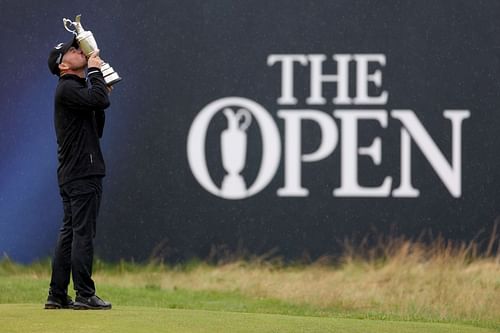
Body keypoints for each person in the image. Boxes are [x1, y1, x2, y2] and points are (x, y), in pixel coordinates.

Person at [45, 36, 112, 310]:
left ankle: (57, 295)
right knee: (82, 233)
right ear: (63, 66)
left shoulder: (74, 90)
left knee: (71, 233)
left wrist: (100, 90)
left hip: (75, 172)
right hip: (83, 172)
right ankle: (85, 293)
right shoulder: (68, 87)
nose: (78, 51)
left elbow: (96, 123)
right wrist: (96, 72)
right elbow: (98, 100)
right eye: (72, 51)